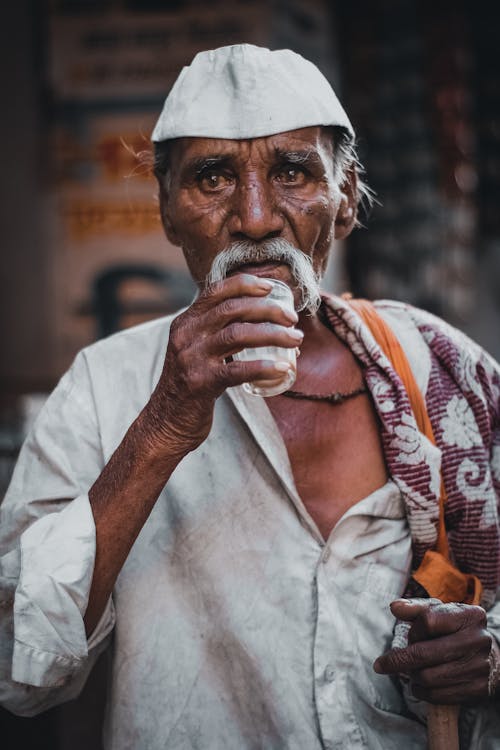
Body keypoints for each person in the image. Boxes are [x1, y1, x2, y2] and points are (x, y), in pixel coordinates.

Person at [1, 44, 499, 749]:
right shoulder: (104, 386)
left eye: (294, 172)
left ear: (347, 199)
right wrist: (165, 422)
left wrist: (492, 654)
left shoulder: (435, 365)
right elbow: (21, 672)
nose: (256, 218)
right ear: (168, 211)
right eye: (212, 179)